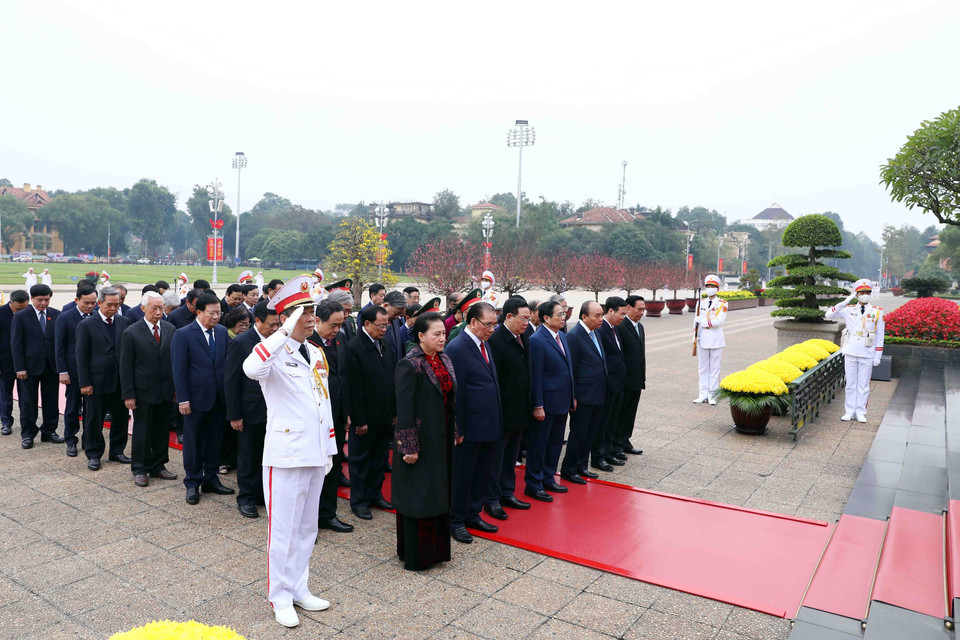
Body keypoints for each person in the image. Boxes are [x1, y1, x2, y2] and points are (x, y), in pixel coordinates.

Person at [242, 276, 338, 628]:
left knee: (306, 528)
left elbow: (322, 402)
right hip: (285, 454)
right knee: (281, 532)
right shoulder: (273, 350)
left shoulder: (315, 352)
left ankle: (299, 587)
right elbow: (251, 369)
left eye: (313, 312)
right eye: (305, 313)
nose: (312, 319)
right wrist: (282, 332)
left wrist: (329, 447)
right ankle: (279, 596)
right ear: (286, 318)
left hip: (314, 452)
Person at [393, 310, 459, 569]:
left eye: (444, 333)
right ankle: (417, 555)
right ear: (420, 336)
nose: (443, 338)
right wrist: (409, 447)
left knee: (438, 493)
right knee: (419, 496)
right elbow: (404, 410)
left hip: (440, 438)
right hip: (420, 440)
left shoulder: (443, 359)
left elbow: (451, 400)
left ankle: (437, 551)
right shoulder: (410, 364)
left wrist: (454, 431)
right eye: (437, 334)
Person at [444, 301, 503, 544]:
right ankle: (456, 520)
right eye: (488, 325)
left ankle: (473, 513)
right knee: (463, 475)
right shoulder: (458, 347)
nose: (492, 329)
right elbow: (455, 392)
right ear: (473, 322)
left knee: (482, 472)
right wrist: (457, 427)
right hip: (468, 427)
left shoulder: (485, 344)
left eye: (494, 325)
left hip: (488, 423)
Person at [172, 292, 233, 505]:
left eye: (219, 312)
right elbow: (179, 369)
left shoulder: (223, 333)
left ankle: (211, 479)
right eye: (212, 313)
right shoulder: (183, 334)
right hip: (195, 400)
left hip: (218, 399)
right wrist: (183, 399)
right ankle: (192, 482)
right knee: (194, 443)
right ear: (199, 312)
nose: (216, 316)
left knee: (215, 441)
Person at [226, 301, 280, 518]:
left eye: (278, 324)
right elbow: (231, 380)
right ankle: (246, 497)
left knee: (268, 456)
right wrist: (235, 415)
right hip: (250, 411)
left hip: (275, 410)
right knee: (249, 455)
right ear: (257, 321)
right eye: (271, 325)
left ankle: (262, 495)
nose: (276, 329)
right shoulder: (241, 342)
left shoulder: (279, 341)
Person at [345, 305, 398, 520]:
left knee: (379, 458)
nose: (385, 329)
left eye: (387, 325)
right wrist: (359, 420)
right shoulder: (354, 348)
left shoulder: (385, 344)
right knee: (360, 462)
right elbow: (353, 388)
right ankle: (359, 501)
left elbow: (392, 380)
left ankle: (375, 494)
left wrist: (394, 411)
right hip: (365, 417)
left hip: (384, 415)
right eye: (380, 325)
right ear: (366, 324)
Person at [120, 291, 177, 486]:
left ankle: (159, 465)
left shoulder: (170, 329)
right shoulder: (132, 332)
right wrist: (129, 394)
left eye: (161, 307)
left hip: (165, 391)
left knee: (162, 430)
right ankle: (140, 468)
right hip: (143, 391)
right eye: (155, 308)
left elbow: (173, 362)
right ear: (143, 308)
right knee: (142, 431)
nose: (159, 312)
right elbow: (126, 367)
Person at [310, 300, 353, 533]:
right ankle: (309, 522)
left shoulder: (340, 340)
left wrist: (346, 412)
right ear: (318, 321)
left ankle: (328, 514)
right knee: (314, 470)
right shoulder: (307, 344)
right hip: (315, 417)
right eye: (333, 325)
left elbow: (344, 377)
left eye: (340, 324)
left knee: (333, 466)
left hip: (335, 415)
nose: (337, 329)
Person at [76, 286, 131, 471]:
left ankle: (117, 451)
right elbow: (81, 356)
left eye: (117, 304)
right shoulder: (87, 325)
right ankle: (93, 454)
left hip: (120, 381)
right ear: (99, 303)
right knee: (93, 420)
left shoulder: (124, 322)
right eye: (109, 305)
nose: (114, 308)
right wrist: (84, 382)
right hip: (96, 382)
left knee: (121, 418)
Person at [486, 296, 532, 515]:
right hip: (502, 411)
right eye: (523, 318)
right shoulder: (495, 341)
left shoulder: (525, 337)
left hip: (520, 409)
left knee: (512, 458)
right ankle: (492, 499)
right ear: (509, 316)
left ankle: (507, 492)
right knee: (496, 458)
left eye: (529, 319)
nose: (526, 323)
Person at [526, 300, 575, 502]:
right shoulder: (537, 340)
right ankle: (534, 483)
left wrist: (572, 396)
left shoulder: (562, 336)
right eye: (559, 315)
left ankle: (548, 476)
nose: (563, 318)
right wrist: (538, 405)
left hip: (562, 400)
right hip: (546, 403)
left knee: (555, 443)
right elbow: (536, 375)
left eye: (564, 314)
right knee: (539, 444)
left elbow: (568, 370)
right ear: (546, 318)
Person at [10, 284, 63, 449]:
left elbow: (60, 342)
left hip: (50, 366)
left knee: (51, 400)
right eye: (40, 300)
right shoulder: (21, 316)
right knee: (28, 401)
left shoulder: (56, 315)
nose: (44, 303)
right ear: (32, 298)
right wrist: (19, 367)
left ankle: (49, 430)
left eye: (47, 299)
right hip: (29, 367)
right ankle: (28, 434)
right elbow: (16, 344)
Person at [825, 278, 885, 422]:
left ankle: (860, 412)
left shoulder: (877, 312)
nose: (865, 294)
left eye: (867, 292)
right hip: (851, 351)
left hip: (867, 352)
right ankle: (849, 411)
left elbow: (880, 336)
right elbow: (828, 315)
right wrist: (845, 301)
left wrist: (878, 355)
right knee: (850, 383)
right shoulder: (848, 310)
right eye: (861, 292)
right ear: (856, 295)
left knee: (863, 385)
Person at [562, 301, 607, 482]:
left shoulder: (595, 333)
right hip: (582, 396)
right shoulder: (574, 336)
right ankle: (569, 469)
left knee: (590, 433)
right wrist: (572, 396)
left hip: (597, 393)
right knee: (579, 433)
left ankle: (582, 466)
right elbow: (570, 369)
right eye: (597, 316)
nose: (601, 319)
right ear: (584, 317)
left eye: (602, 315)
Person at [55, 282, 99, 458]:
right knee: (72, 407)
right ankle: (71, 440)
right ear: (77, 300)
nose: (89, 306)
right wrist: (62, 371)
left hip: (93, 372)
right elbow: (59, 346)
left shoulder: (96, 317)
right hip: (73, 371)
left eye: (93, 302)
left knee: (91, 409)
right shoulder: (65, 317)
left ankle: (88, 439)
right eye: (86, 302)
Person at [592, 297, 628, 471]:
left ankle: (610, 451)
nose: (623, 318)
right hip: (606, 385)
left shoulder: (615, 329)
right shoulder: (601, 330)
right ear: (611, 311)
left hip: (617, 385)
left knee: (613, 420)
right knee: (602, 423)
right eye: (621, 314)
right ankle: (600, 455)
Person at [614, 296, 646, 457]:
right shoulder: (621, 326)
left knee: (630, 413)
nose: (642, 312)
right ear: (628, 307)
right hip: (624, 381)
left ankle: (625, 440)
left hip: (636, 379)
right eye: (639, 309)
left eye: (643, 309)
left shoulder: (639, 327)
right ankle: (616, 444)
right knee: (621, 412)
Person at [693, 275, 727, 405]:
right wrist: (694, 336)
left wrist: (702, 321)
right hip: (702, 338)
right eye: (708, 286)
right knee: (702, 368)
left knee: (714, 368)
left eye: (712, 287)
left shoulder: (722, 303)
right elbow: (695, 321)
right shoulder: (701, 302)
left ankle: (713, 395)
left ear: (717, 288)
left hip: (715, 339)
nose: (710, 289)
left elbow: (718, 322)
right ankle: (702, 394)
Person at [0, 290, 29, 436]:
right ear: (10, 303)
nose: (21, 312)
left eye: (24, 308)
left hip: (25, 362)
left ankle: (27, 423)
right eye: (18, 309)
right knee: (5, 394)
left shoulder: (30, 314)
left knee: (26, 395)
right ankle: (6, 422)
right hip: (5, 361)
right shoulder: (1, 314)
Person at [381, 290, 407, 361]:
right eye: (395, 313)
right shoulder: (373, 321)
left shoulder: (395, 320)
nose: (397, 317)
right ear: (386, 306)